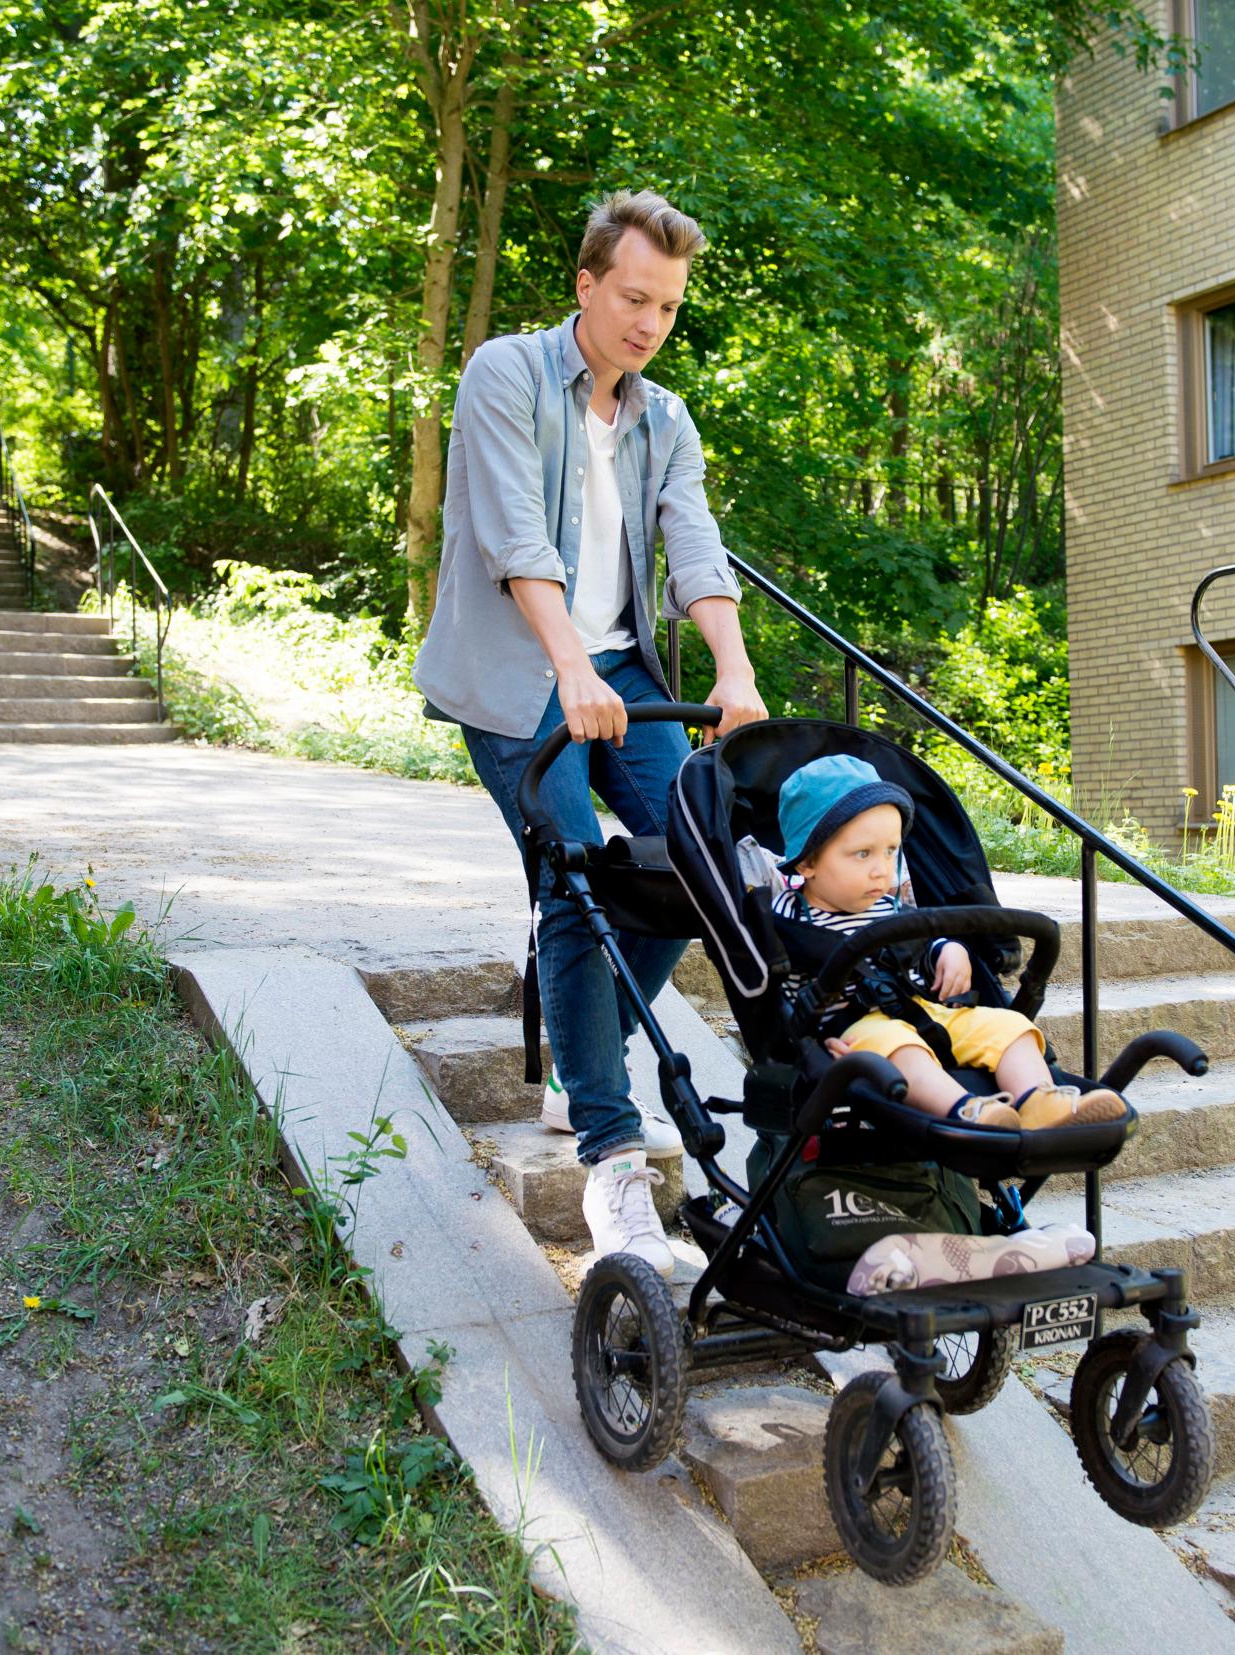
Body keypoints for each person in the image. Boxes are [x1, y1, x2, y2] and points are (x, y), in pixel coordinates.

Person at [414, 189, 766, 1279]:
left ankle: (583, 1050)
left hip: (618, 671)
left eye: (666, 304)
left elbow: (695, 547)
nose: (649, 321)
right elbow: (512, 529)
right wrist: (567, 664)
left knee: (704, 863)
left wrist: (734, 668)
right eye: (631, 296)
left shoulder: (664, 419)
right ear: (584, 283)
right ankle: (613, 1164)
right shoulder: (507, 373)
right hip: (517, 673)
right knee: (575, 882)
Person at [763, 754, 1128, 1132]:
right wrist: (815, 1051)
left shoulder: (889, 907)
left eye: (891, 851)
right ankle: (967, 1111)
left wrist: (947, 949)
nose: (881, 869)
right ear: (806, 864)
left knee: (1010, 1026)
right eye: (862, 854)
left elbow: (918, 946)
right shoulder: (788, 917)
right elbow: (781, 996)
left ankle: (1039, 1100)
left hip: (927, 1012)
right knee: (897, 1048)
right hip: (856, 1030)